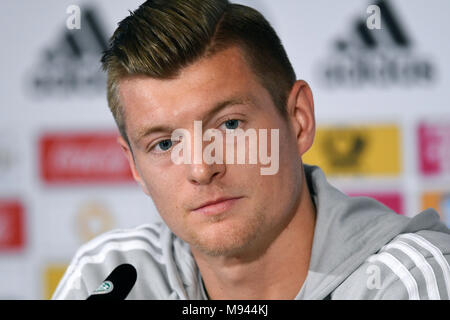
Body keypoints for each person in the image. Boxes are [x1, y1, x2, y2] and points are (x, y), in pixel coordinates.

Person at [52, 0, 450, 300]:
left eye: (229, 125)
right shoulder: (110, 277)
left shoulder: (407, 280)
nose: (201, 168)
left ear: (298, 120)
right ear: (135, 166)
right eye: (165, 143)